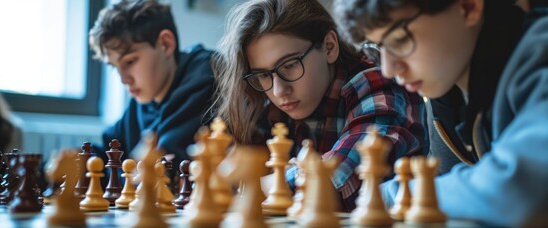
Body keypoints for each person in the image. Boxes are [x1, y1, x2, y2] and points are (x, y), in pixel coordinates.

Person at [334, 0, 548, 228]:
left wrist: (392, 195)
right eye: (375, 48)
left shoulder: (540, 54)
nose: (388, 69)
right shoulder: (445, 93)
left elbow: (522, 195)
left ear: (468, 7)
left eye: (400, 39)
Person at [211, 0, 428, 211]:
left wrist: (256, 184)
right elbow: (226, 175)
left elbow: (339, 181)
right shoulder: (271, 104)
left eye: (290, 65)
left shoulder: (376, 83)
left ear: (329, 47)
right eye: (263, 75)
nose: (278, 91)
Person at [89, 0, 215, 170]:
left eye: (130, 61)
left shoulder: (205, 77)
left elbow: (159, 165)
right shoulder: (145, 96)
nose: (123, 80)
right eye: (114, 67)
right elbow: (108, 152)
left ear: (165, 44)